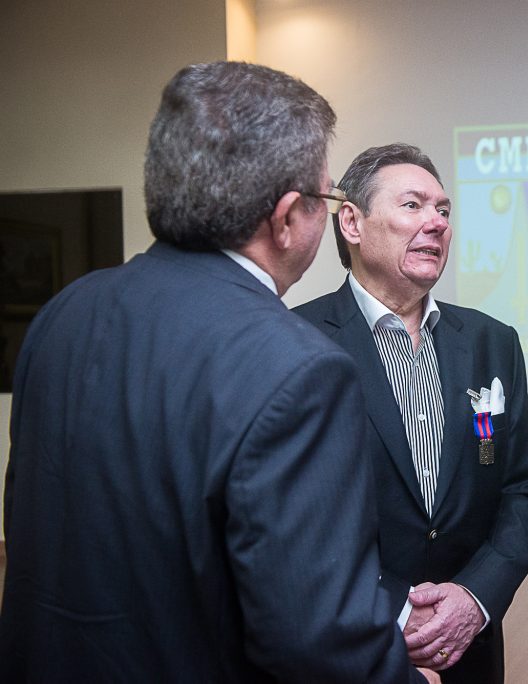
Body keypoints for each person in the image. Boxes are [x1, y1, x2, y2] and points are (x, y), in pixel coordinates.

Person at [0, 61, 431, 683]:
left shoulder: (65, 313)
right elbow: (317, 641)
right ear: (287, 218)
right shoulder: (298, 368)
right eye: (327, 198)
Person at [292, 143, 528, 684]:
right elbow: (291, 519)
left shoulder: (491, 342)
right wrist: (397, 610)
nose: (436, 223)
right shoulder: (294, 342)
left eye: (444, 211)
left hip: (468, 647)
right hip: (353, 645)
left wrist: (474, 598)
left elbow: (523, 491)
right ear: (352, 223)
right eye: (413, 205)